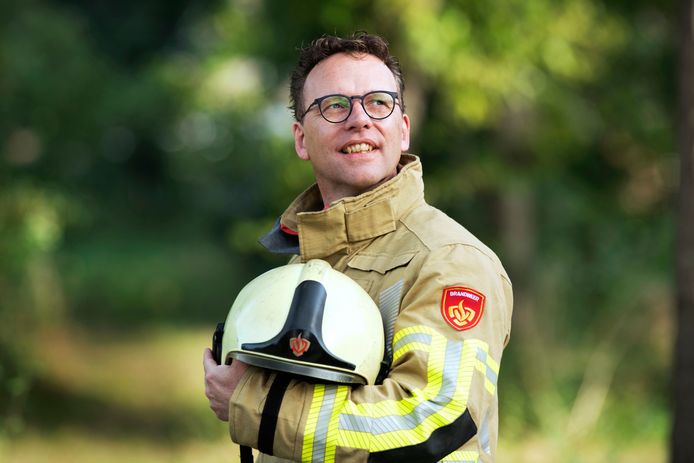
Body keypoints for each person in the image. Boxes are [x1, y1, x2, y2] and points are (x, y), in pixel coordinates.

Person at [203, 32, 513, 463]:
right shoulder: (308, 262)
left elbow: (434, 419)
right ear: (301, 139)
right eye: (334, 105)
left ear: (403, 131)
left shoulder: (450, 259)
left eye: (379, 102)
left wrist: (256, 404)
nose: (360, 119)